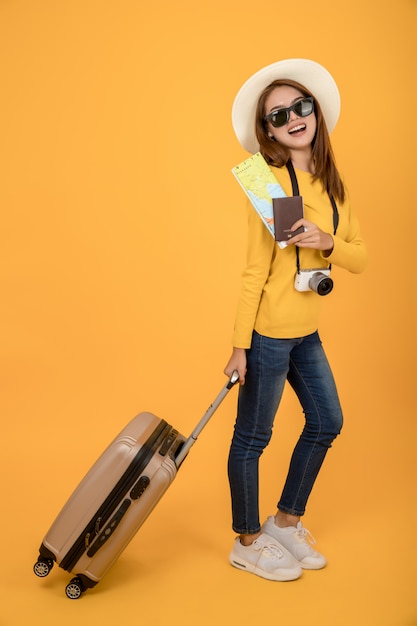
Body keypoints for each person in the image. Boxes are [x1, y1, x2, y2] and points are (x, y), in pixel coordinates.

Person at [224, 58, 368, 582]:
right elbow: (252, 271)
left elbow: (360, 255)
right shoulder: (263, 182)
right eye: (277, 115)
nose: (292, 118)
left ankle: (284, 522)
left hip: (306, 331)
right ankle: (246, 539)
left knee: (327, 421)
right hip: (266, 335)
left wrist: (328, 241)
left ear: (315, 112)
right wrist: (240, 344)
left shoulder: (333, 182)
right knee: (252, 438)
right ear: (268, 131)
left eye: (299, 106)